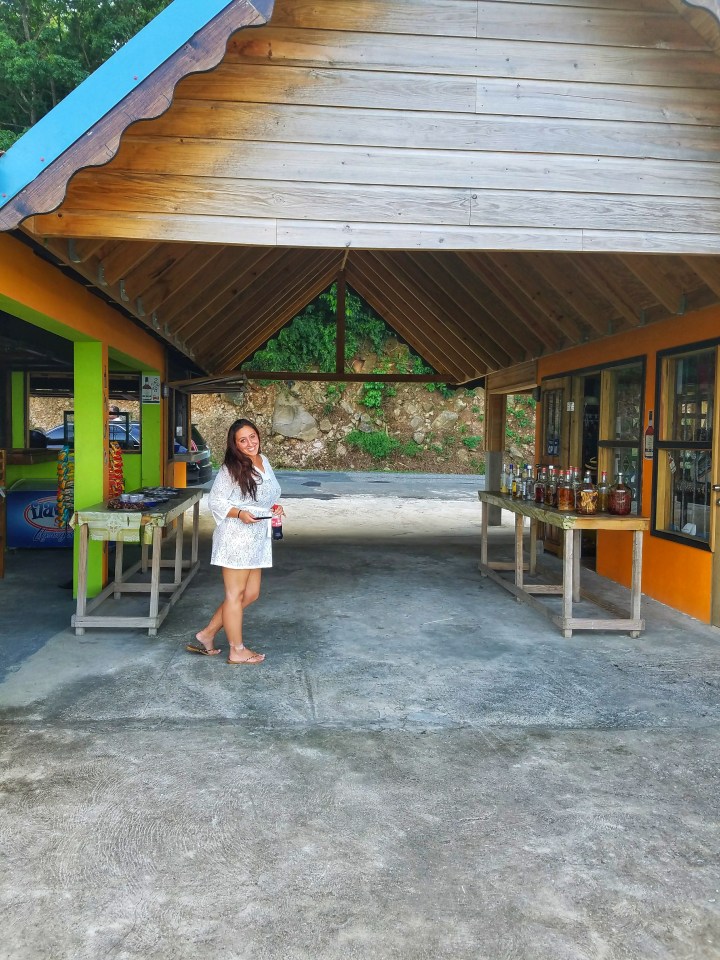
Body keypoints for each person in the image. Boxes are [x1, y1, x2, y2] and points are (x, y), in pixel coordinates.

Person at [187, 418, 284, 665]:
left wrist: (273, 506)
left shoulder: (264, 461)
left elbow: (266, 494)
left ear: (258, 436)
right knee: (234, 594)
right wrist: (240, 513)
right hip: (236, 536)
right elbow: (216, 501)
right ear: (235, 444)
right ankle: (236, 650)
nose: (250, 443)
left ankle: (207, 634)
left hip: (257, 537)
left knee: (250, 594)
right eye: (243, 440)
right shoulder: (231, 469)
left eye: (252, 436)